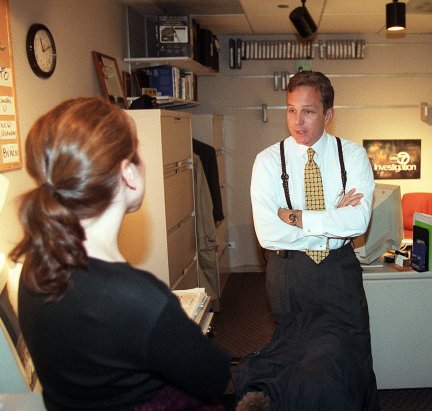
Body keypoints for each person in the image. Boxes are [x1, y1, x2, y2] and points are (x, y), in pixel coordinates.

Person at [10, 97, 230, 410]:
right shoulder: (140, 299)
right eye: (138, 148)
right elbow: (216, 375)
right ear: (128, 173)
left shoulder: (35, 266)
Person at [250, 70, 378, 409]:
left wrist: (294, 216)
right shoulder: (266, 161)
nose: (298, 121)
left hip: (338, 271)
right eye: (291, 110)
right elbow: (267, 231)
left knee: (353, 355)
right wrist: (333, 220)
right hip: (288, 274)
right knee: (293, 358)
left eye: (308, 111)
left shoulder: (352, 156)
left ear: (328, 114)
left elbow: (358, 221)